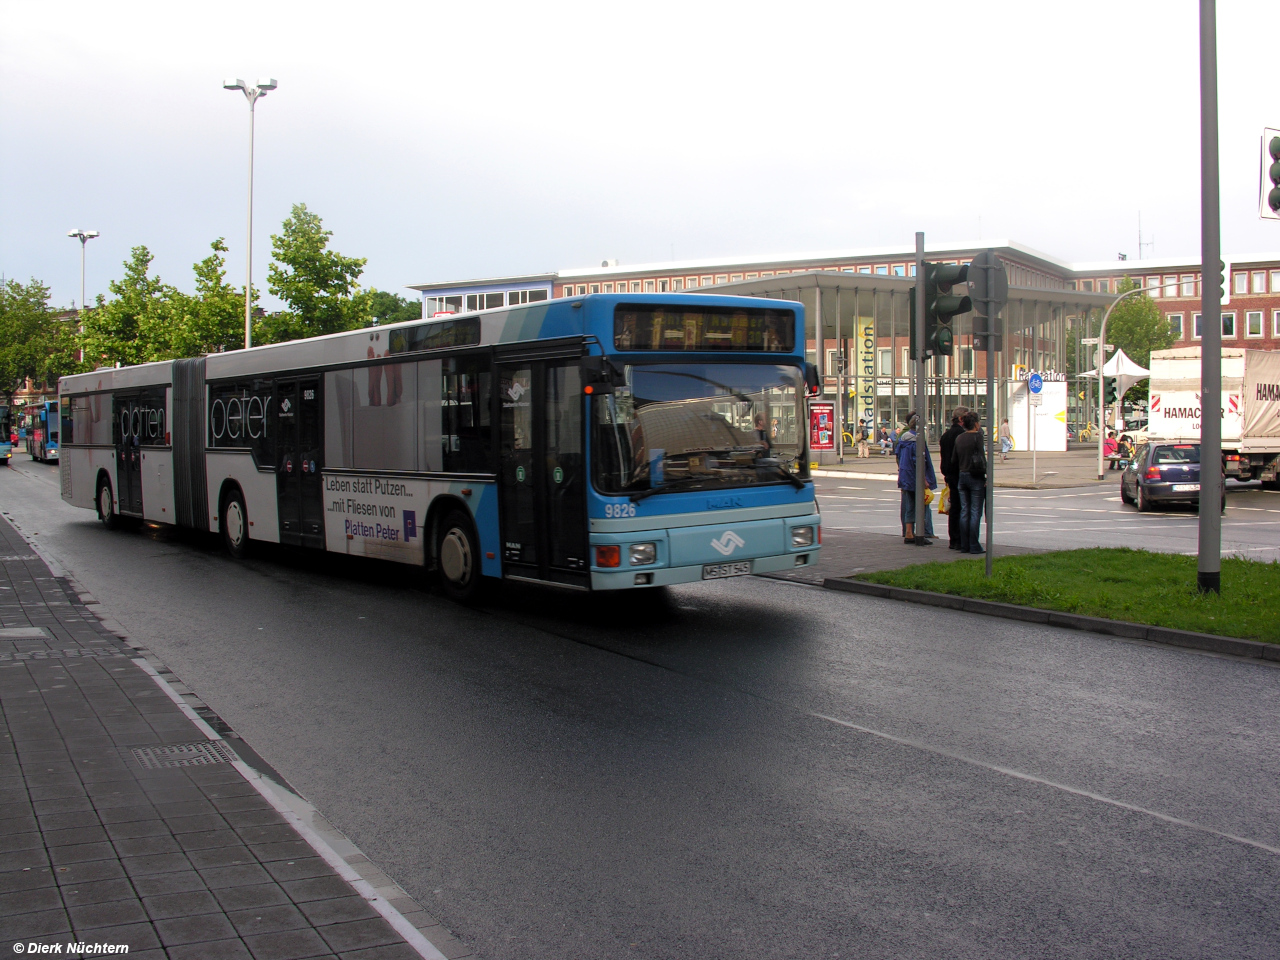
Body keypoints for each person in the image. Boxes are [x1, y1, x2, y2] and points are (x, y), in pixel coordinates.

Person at [896, 412, 936, 543]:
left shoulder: (903, 439)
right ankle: (920, 533)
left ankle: (908, 533)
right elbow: (919, 461)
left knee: (909, 504)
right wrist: (924, 479)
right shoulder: (917, 440)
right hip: (915, 477)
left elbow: (898, 455)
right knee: (920, 505)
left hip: (905, 475)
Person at [953, 411, 987, 554]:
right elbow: (982, 458)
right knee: (975, 512)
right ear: (976, 423)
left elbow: (953, 460)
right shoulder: (977, 437)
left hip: (962, 475)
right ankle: (974, 544)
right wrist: (986, 476)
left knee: (965, 511)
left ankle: (964, 544)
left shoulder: (959, 438)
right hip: (976, 477)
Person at [939, 405, 968, 550]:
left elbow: (943, 457)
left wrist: (946, 474)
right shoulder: (963, 435)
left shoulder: (945, 435)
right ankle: (962, 539)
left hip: (950, 475)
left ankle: (953, 539)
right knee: (963, 508)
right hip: (961, 474)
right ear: (962, 419)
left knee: (954, 509)